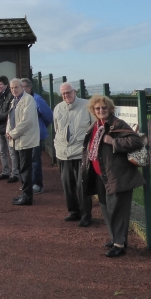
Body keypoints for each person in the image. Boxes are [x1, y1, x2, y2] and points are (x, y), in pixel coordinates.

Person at [81, 95, 146, 257]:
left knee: (118, 210)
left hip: (117, 175)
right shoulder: (96, 125)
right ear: (93, 110)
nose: (101, 110)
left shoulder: (117, 124)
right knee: (106, 207)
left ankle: (119, 244)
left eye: (104, 108)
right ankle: (115, 237)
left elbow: (136, 142)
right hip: (100, 174)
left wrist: (113, 142)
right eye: (97, 108)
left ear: (110, 109)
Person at [54, 82, 94, 227]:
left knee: (82, 185)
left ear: (75, 91)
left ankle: (86, 215)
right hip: (63, 153)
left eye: (68, 92)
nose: (66, 96)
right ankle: (74, 211)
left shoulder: (87, 106)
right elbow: (57, 129)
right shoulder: (58, 108)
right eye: (63, 94)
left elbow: (94, 130)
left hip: (81, 153)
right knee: (67, 185)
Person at [6, 78, 40, 206]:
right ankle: (24, 193)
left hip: (25, 139)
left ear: (22, 87)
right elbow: (10, 118)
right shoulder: (14, 100)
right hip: (17, 140)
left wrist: (13, 133)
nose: (14, 90)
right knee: (21, 167)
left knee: (25, 168)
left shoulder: (28, 100)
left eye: (16, 87)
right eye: (12, 88)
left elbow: (26, 121)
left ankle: (27, 197)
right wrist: (8, 131)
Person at [21, 79, 53, 194]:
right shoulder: (20, 99)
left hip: (36, 135)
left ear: (29, 88)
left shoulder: (37, 99)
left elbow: (49, 116)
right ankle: (28, 184)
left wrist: (41, 127)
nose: (21, 89)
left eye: (23, 86)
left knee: (35, 160)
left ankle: (37, 184)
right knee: (26, 160)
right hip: (25, 136)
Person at [0, 76, 18, 183]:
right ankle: (5, 172)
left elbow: (10, 112)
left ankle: (15, 173)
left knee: (12, 151)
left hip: (8, 127)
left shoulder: (11, 96)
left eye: (0, 85)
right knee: (3, 151)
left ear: (6, 84)